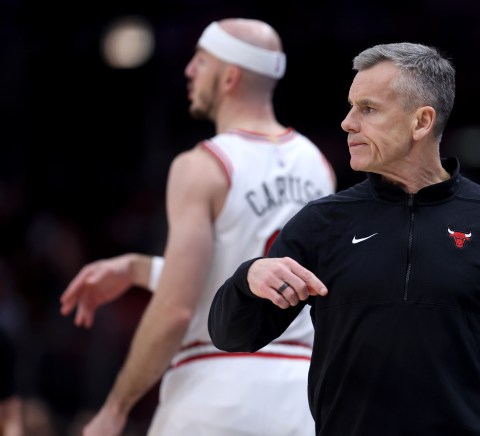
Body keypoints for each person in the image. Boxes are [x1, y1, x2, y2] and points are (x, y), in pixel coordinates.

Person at [208, 42, 480, 435]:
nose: (347, 122)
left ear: (422, 122)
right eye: (351, 107)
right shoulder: (321, 223)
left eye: (368, 109)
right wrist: (247, 279)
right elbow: (233, 336)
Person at [59, 18, 336, 436]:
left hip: (214, 388)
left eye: (200, 61)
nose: (189, 71)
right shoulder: (319, 165)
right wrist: (138, 268)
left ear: (230, 77)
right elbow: (247, 273)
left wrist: (116, 408)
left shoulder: (202, 166)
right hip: (303, 396)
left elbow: (178, 306)